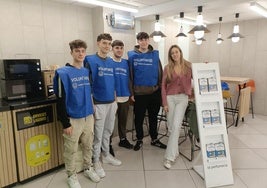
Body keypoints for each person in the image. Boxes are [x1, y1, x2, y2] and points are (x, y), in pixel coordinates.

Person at [53, 39, 100, 188]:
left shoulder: (86, 71)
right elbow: (59, 100)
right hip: (73, 118)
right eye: (77, 51)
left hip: (88, 116)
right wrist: (65, 123)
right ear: (71, 52)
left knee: (88, 145)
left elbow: (89, 93)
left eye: (82, 51)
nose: (80, 54)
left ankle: (88, 168)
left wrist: (92, 111)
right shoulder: (63, 73)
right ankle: (71, 175)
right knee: (71, 149)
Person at [84, 33, 121, 179]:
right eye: (104, 43)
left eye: (109, 44)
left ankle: (106, 155)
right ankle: (96, 161)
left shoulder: (111, 62)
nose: (107, 46)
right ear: (98, 43)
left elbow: (113, 83)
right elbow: (88, 83)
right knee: (98, 135)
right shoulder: (90, 60)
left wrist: (115, 100)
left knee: (108, 131)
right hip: (98, 103)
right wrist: (91, 102)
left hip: (111, 102)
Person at [127, 32, 167, 151]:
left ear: (149, 41)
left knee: (153, 117)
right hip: (139, 94)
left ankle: (154, 139)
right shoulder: (132, 55)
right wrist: (131, 93)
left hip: (154, 92)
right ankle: (139, 139)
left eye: (145, 39)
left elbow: (160, 72)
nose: (143, 42)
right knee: (139, 118)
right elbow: (130, 75)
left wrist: (160, 90)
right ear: (138, 41)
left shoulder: (155, 55)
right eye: (141, 40)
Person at [161, 44, 192, 169]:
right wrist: (164, 103)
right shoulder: (167, 68)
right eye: (172, 53)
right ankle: (175, 151)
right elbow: (163, 86)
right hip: (170, 98)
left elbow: (197, 78)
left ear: (180, 52)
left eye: (176, 52)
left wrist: (204, 68)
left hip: (182, 99)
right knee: (171, 128)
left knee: (176, 126)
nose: (174, 54)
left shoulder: (189, 66)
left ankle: (169, 158)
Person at [111, 40, 133, 149]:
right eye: (117, 48)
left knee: (122, 121)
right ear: (112, 49)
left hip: (125, 96)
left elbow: (129, 79)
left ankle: (123, 139)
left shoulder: (126, 63)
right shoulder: (108, 62)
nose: (119, 50)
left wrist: (131, 93)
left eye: (121, 48)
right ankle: (108, 144)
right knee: (110, 123)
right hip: (112, 98)